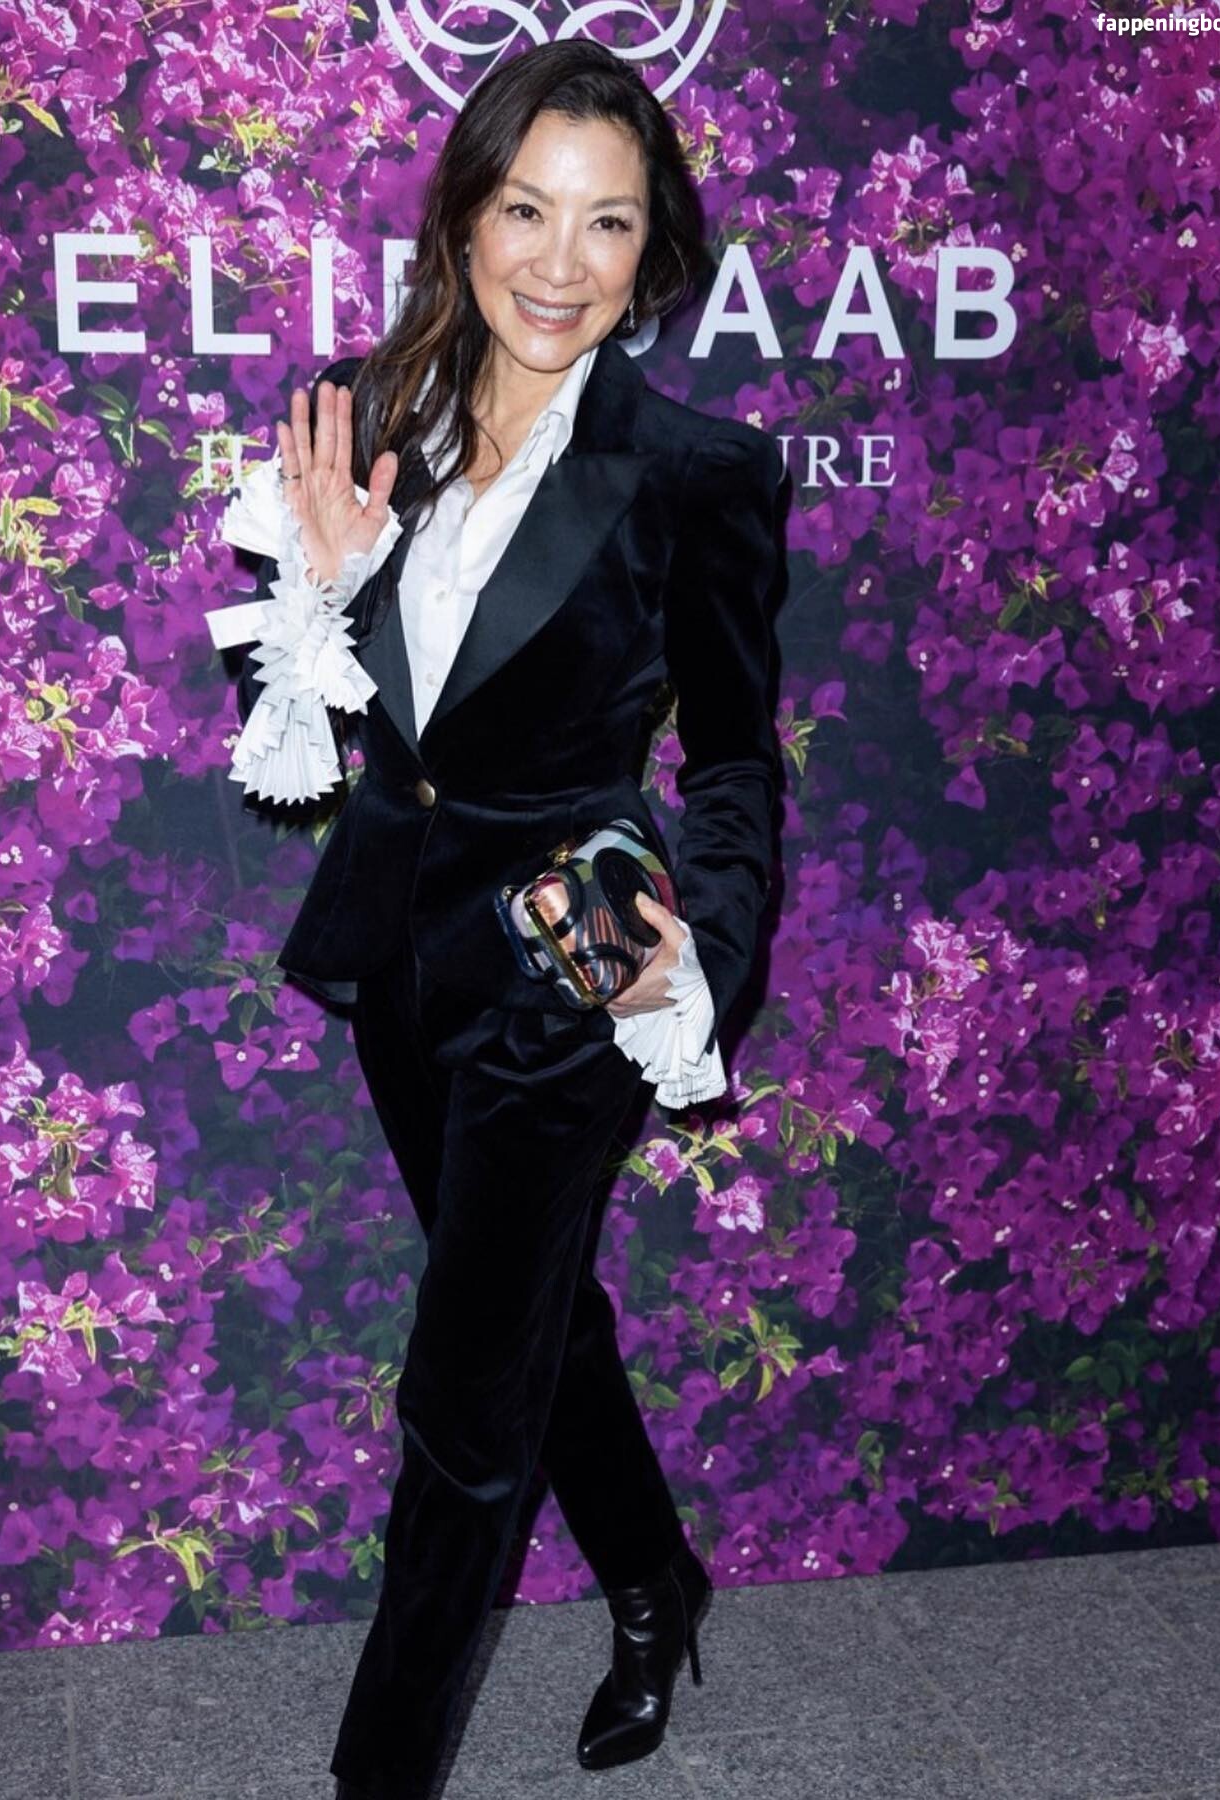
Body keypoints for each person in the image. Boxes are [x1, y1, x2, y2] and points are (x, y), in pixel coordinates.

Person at [211, 37, 786, 1800]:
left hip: (578, 963)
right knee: (532, 1310)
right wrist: (315, 596)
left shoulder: (694, 471)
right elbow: (318, 732)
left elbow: (737, 764)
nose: (560, 262)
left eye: (607, 223)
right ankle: (656, 1578)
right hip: (401, 949)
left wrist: (703, 956)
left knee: (463, 1411)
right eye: (527, 210)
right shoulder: (361, 416)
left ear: (652, 250)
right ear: (463, 219)